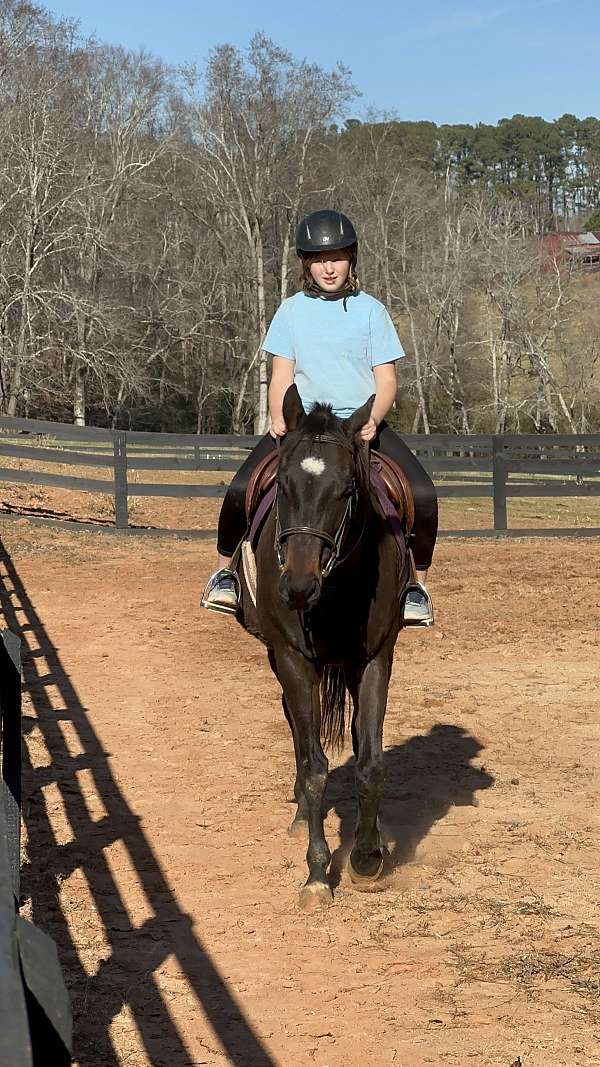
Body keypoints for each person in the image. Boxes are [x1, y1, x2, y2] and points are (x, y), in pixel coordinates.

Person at [201, 209, 438, 625]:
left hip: (356, 426)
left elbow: (386, 380)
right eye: (319, 259)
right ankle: (225, 575)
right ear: (305, 263)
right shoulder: (291, 312)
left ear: (352, 259)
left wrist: (373, 418)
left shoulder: (371, 312)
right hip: (303, 425)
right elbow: (281, 375)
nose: (329, 268)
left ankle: (414, 587)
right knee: (240, 489)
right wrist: (279, 415)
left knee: (422, 494)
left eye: (338, 257)